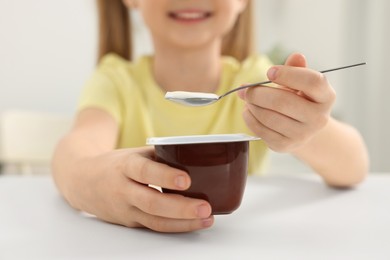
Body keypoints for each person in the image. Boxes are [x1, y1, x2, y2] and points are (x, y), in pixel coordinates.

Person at [52, 0, 369, 233]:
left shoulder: (256, 80)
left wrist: (307, 130)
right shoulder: (115, 81)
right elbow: (76, 150)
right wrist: (84, 182)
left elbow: (354, 166)